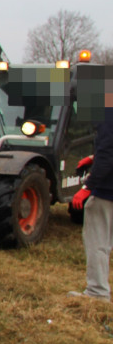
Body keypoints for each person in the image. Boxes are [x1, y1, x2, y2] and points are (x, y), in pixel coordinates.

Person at [70, 114, 113, 303]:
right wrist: (93, 158)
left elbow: (108, 155)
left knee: (98, 241)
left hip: (107, 191)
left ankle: (97, 292)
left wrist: (87, 187)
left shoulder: (108, 114)